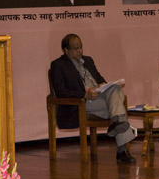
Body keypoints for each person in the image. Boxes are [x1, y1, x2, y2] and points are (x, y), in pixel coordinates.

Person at [50, 34, 136, 164]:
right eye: (75, 48)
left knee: (115, 89)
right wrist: (84, 95)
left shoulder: (88, 60)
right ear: (66, 50)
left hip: (98, 98)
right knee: (119, 108)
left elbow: (99, 78)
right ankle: (121, 150)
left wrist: (102, 85)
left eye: (81, 47)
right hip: (82, 103)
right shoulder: (59, 65)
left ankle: (117, 122)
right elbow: (61, 91)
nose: (80, 51)